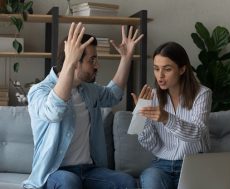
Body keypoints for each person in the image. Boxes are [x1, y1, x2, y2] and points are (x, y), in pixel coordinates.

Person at [23, 22, 143, 189]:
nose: (97, 65)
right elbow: (53, 112)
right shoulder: (39, 91)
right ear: (74, 62)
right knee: (69, 182)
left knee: (126, 182)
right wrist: (69, 63)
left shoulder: (88, 90)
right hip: (54, 172)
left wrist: (126, 58)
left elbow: (113, 95)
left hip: (89, 170)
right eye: (91, 60)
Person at [131, 42, 212, 189]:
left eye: (167, 69)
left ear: (182, 69)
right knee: (151, 181)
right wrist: (141, 117)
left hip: (193, 164)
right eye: (156, 69)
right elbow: (152, 145)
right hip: (161, 165)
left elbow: (197, 133)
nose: (160, 76)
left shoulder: (202, 94)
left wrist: (166, 118)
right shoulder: (152, 96)